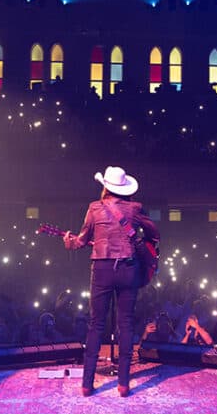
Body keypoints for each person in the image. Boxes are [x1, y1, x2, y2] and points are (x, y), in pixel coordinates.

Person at [64, 166, 160, 397]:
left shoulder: (94, 208)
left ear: (105, 186)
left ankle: (87, 384)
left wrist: (69, 242)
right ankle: (123, 383)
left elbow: (81, 240)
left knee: (96, 324)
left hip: (102, 269)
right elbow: (155, 234)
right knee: (126, 324)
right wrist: (139, 241)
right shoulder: (135, 208)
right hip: (128, 268)